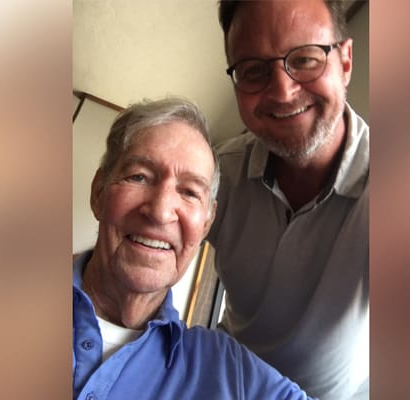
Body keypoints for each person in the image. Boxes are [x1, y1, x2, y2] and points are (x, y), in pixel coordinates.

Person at [72, 97, 310, 400]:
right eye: (139, 177)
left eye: (189, 192)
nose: (160, 211)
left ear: (207, 224)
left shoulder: (231, 373)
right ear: (98, 193)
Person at [209, 1, 370, 399]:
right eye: (254, 70)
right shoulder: (218, 174)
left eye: (305, 59)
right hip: (224, 384)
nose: (282, 91)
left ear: (345, 61)